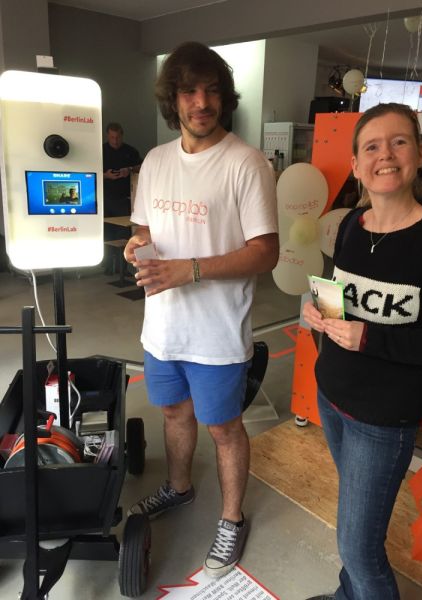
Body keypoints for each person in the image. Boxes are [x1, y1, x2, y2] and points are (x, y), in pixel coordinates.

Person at [124, 41, 279, 579]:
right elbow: (144, 227)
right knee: (173, 413)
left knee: (224, 429)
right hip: (162, 328)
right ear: (173, 99)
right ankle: (179, 486)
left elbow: (266, 252)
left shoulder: (246, 163)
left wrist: (189, 269)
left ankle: (232, 519)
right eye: (189, 91)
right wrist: (137, 244)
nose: (202, 102)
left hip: (217, 332)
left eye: (212, 91)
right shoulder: (155, 161)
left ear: (224, 98)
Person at [302, 102, 422, 600]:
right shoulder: (351, 224)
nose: (385, 154)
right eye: (371, 146)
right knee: (355, 524)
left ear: (420, 154)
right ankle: (349, 594)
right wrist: (319, 311)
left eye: (399, 142)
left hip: (383, 419)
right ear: (356, 164)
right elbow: (343, 297)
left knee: (358, 547)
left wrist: (370, 337)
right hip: (332, 397)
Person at [103, 122, 142, 273]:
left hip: (124, 198)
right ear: (108, 136)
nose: (115, 140)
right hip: (105, 198)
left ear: (122, 135)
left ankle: (122, 268)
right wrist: (106, 175)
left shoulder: (130, 151)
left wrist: (129, 169)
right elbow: (91, 172)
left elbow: (142, 166)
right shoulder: (101, 151)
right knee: (107, 233)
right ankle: (107, 267)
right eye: (112, 137)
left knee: (123, 233)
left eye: (118, 137)